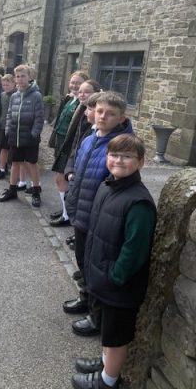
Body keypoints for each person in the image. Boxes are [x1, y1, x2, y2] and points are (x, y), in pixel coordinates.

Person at [71, 134, 156, 389]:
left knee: (116, 336)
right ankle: (106, 362)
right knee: (108, 331)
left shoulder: (139, 202)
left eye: (127, 156)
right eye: (114, 154)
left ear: (140, 162)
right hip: (102, 278)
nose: (119, 160)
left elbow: (135, 250)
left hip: (118, 285)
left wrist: (115, 277)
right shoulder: (108, 185)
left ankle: (108, 381)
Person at [64, 92, 133, 334]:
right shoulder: (90, 136)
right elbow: (78, 160)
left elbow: (115, 182)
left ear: (121, 118)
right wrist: (71, 176)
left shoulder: (121, 145)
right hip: (81, 211)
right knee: (83, 261)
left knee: (96, 267)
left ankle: (96, 316)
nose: (103, 116)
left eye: (110, 113)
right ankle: (85, 298)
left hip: (100, 217)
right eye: (100, 111)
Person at [50, 79, 100, 226]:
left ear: (96, 93)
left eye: (87, 91)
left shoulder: (92, 113)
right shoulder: (80, 107)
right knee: (64, 183)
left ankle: (69, 216)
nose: (82, 94)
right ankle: (67, 212)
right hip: (71, 152)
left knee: (72, 188)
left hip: (79, 156)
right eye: (80, 91)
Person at [0, 64, 44, 207]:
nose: (20, 79)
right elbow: (9, 115)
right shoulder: (15, 96)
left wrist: (34, 134)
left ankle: (36, 191)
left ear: (30, 77)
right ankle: (12, 189)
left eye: (23, 76)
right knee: (15, 163)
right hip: (14, 135)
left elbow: (39, 118)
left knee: (31, 164)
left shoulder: (36, 95)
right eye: (17, 76)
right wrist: (7, 130)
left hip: (30, 137)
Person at [0, 74, 16, 180]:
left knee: (14, 150)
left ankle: (14, 172)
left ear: (14, 83)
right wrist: (0, 120)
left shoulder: (17, 94)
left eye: (7, 84)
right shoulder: (2, 95)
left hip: (15, 127)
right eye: (4, 85)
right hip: (3, 126)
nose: (5, 87)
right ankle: (2, 169)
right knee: (3, 148)